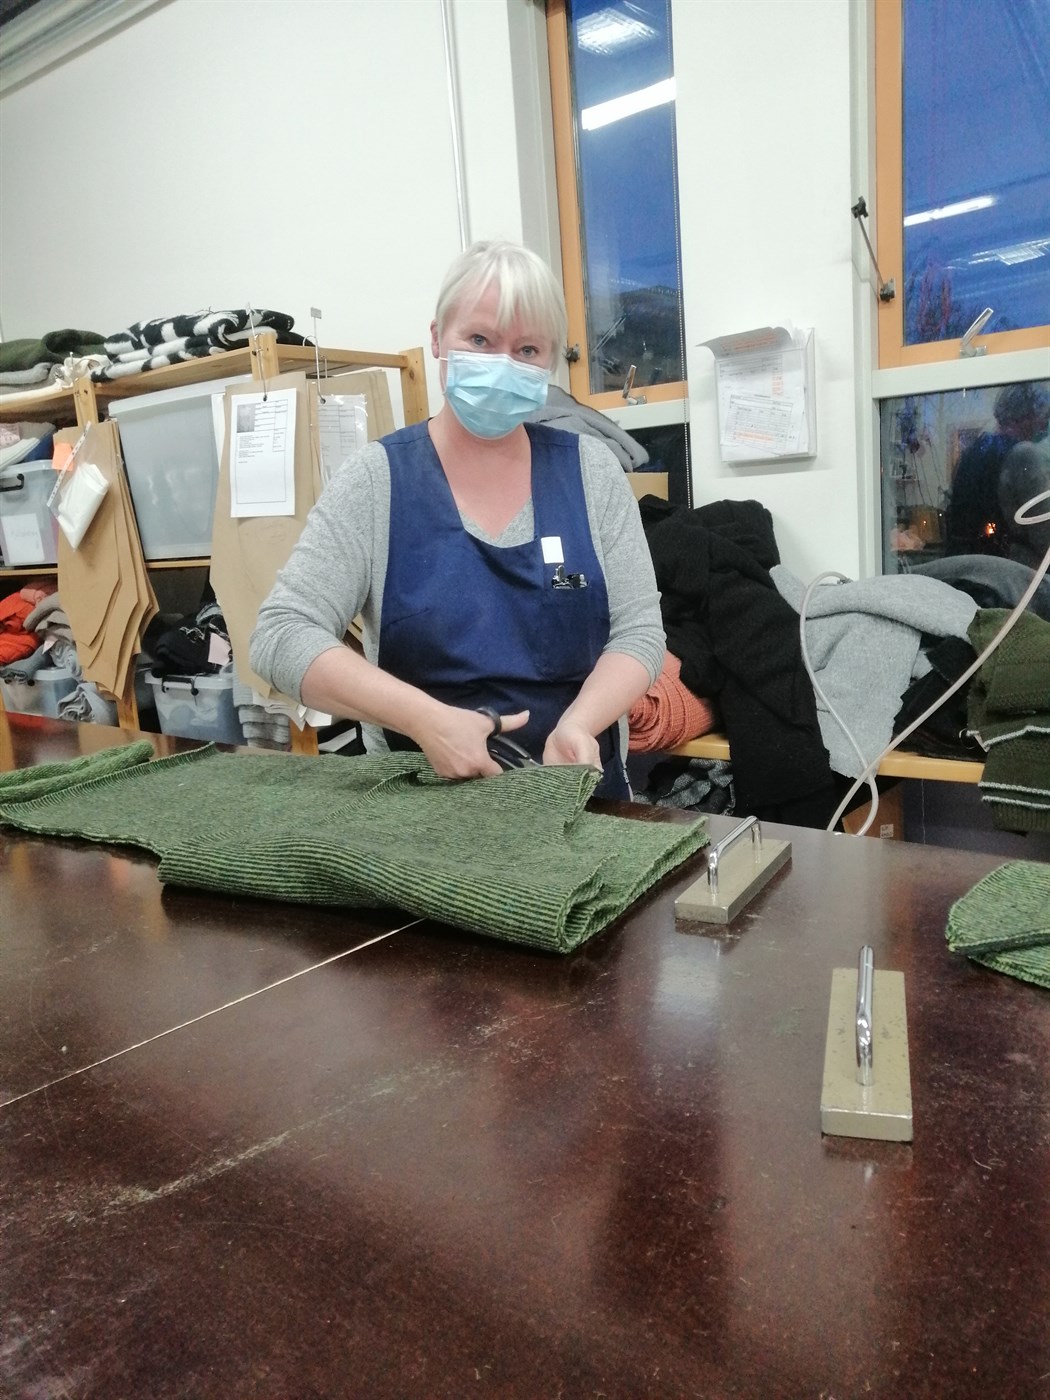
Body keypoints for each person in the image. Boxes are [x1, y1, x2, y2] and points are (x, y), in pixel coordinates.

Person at [249, 239, 665, 799]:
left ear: (549, 361)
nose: (501, 365)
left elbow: (639, 630)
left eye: (527, 349)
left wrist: (580, 723)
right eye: (479, 340)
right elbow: (280, 636)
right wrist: (425, 719)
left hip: (578, 797)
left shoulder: (591, 472)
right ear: (437, 338)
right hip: (421, 806)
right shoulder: (377, 480)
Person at [944, 381, 1050, 557]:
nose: (1045, 423)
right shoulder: (1025, 454)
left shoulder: (973, 451)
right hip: (1008, 565)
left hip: (969, 561)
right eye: (1044, 415)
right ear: (1027, 415)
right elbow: (1043, 531)